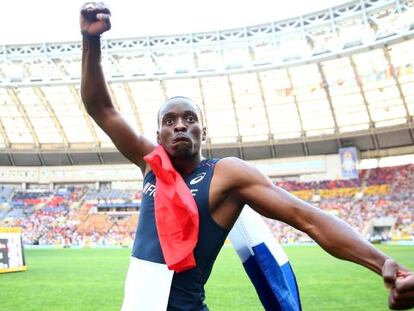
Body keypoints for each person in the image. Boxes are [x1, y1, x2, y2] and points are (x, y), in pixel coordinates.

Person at [79, 2, 414, 310]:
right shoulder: (151, 164)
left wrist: (384, 263)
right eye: (170, 121)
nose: (180, 126)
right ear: (159, 136)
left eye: (190, 119)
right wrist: (90, 42)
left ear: (203, 133)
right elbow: (101, 108)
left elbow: (307, 217)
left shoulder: (225, 175)